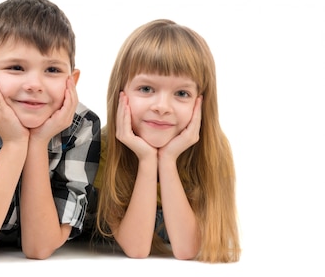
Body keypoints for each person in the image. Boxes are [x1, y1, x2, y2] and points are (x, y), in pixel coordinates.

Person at [0, 0, 101, 264]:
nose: (34, 84)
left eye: (52, 69)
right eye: (16, 68)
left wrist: (37, 142)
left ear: (72, 81)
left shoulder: (81, 126)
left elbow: (39, 247)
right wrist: (14, 143)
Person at [93, 19, 241, 263]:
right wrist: (147, 159)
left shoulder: (213, 150)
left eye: (181, 93)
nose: (162, 107)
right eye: (146, 89)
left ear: (201, 102)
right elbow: (137, 248)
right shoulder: (105, 146)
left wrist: (168, 159)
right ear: (122, 93)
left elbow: (186, 250)